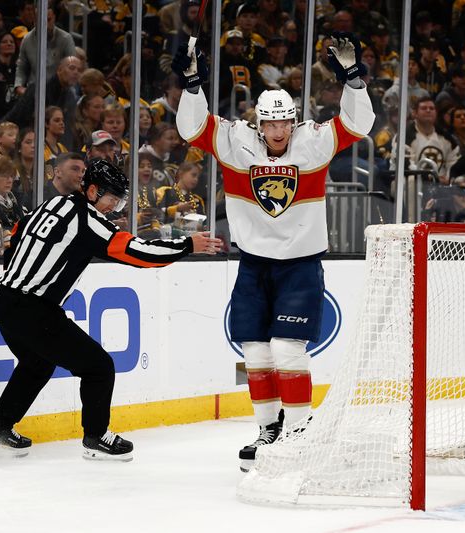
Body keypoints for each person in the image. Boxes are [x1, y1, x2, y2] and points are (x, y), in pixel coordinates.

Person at [172, 31, 374, 472]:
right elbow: (192, 127)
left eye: (284, 123)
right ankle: (268, 428)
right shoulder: (234, 140)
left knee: (287, 349)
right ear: (259, 123)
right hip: (254, 262)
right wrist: (192, 87)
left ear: (294, 121)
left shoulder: (314, 141)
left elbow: (358, 125)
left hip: (301, 263)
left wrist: (354, 78)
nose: (278, 131)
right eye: (270, 123)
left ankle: (299, 429)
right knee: (256, 353)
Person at [0, 159, 222, 460]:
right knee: (98, 366)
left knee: (37, 363)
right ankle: (96, 437)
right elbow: (138, 253)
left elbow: (15, 235)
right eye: (112, 198)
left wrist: (19, 275)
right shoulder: (87, 219)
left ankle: (0, 431)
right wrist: (187, 245)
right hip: (34, 308)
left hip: (4, 300)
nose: (115, 206)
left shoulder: (51, 204)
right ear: (92, 190)